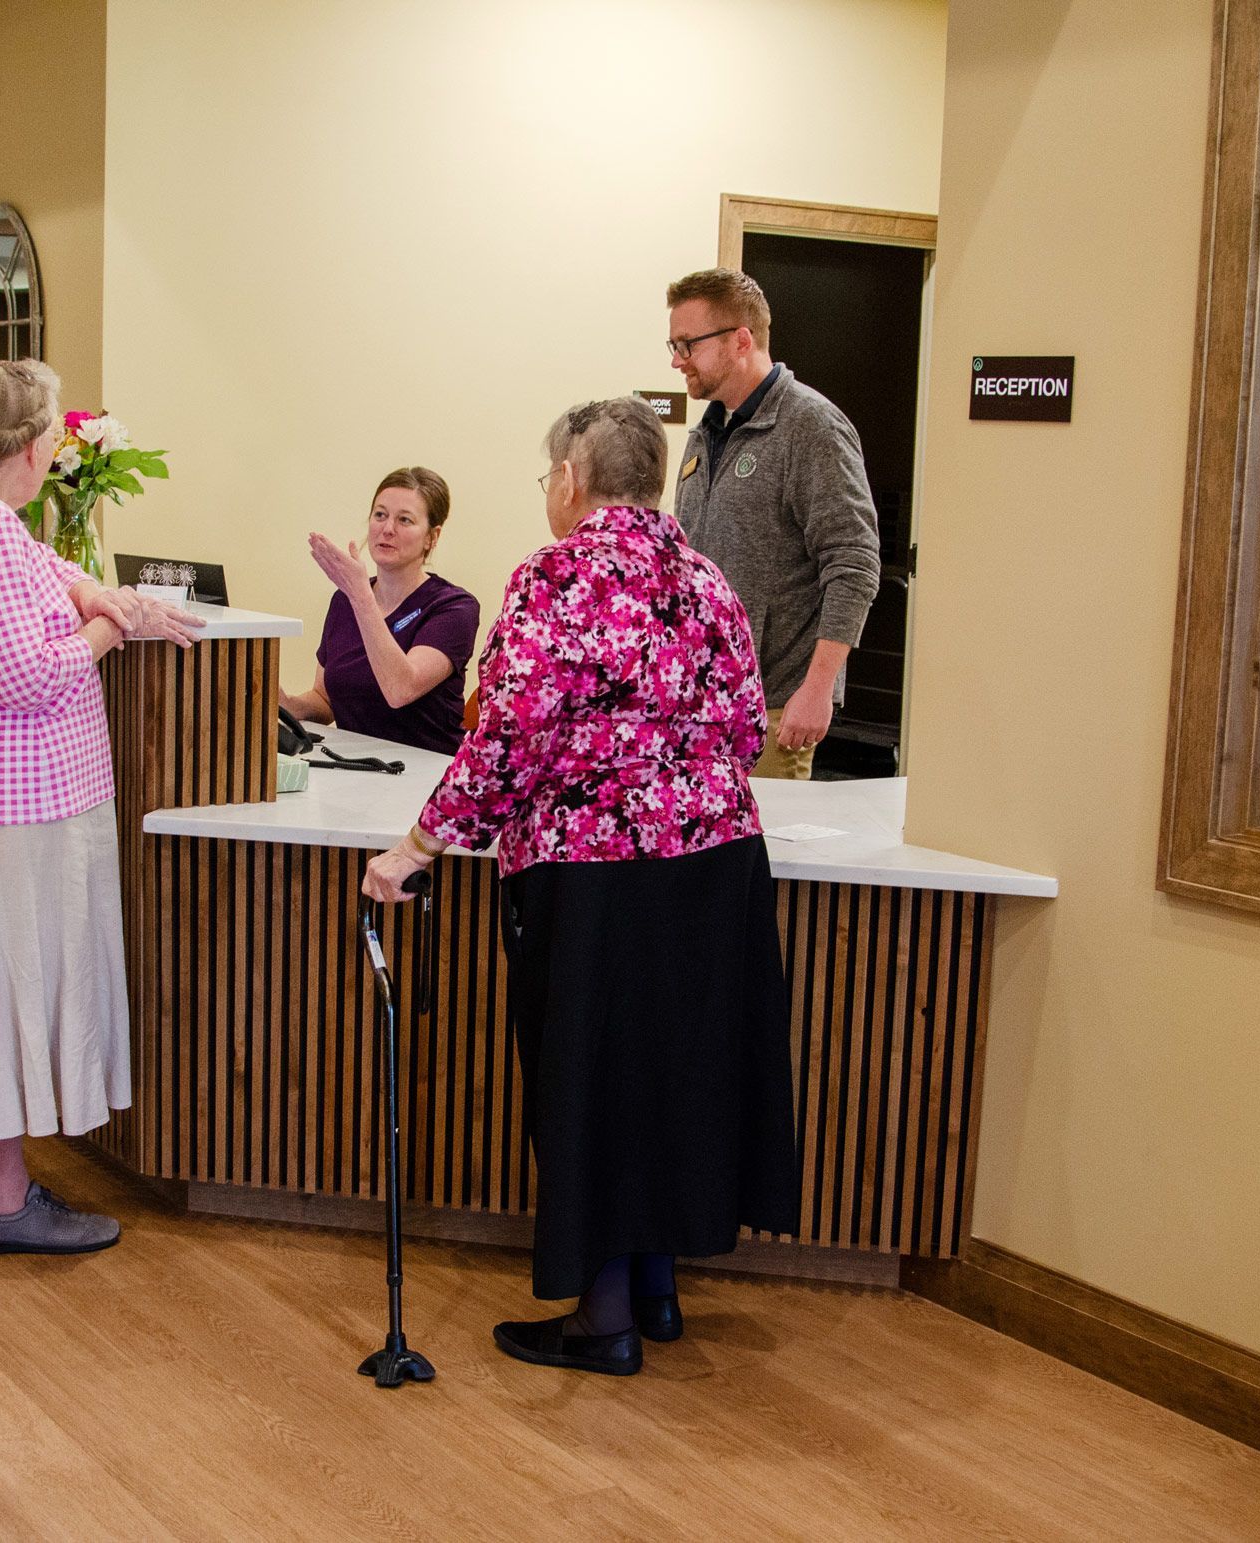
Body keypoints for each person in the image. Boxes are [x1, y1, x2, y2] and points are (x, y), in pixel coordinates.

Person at [363, 397, 799, 1377]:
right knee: (675, 1075)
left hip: (599, 872)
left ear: (573, 477)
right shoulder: (705, 576)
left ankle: (604, 1322)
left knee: (596, 1081)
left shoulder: (555, 575)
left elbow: (507, 735)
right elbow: (746, 722)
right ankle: (656, 1290)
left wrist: (418, 846)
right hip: (717, 861)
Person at [0, 358, 202, 1255]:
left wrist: (90, 589)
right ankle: (5, 1199)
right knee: (5, 990)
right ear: (24, 444)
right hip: (18, 803)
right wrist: (112, 625)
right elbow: (27, 676)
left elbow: (39, 561)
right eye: (53, 432)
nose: (59, 446)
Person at [665, 267, 882, 779]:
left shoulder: (811, 425)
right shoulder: (705, 434)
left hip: (774, 707)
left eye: (687, 344)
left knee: (760, 856)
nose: (677, 360)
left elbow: (854, 565)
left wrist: (818, 689)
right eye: (672, 344)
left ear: (741, 340)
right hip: (699, 704)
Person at [278, 467, 480, 755]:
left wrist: (361, 597)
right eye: (380, 515)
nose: (387, 529)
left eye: (405, 520)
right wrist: (287, 704)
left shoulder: (454, 608)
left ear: (431, 538)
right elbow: (326, 701)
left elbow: (401, 690)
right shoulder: (344, 599)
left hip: (427, 777)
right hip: (357, 766)